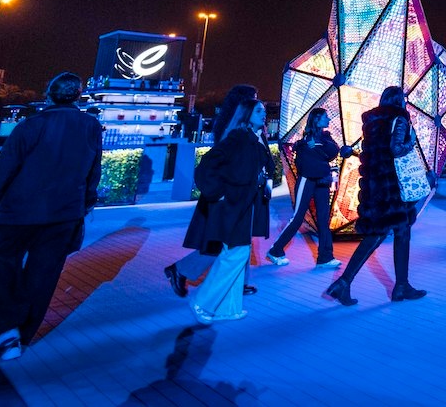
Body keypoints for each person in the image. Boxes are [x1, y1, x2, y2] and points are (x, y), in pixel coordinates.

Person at [0, 72, 103, 361]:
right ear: (78, 96)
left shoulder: (32, 125)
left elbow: (3, 171)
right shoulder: (91, 126)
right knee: (44, 274)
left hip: (20, 213)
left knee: (2, 264)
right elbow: (94, 171)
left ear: (48, 94)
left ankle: (6, 330)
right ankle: (22, 337)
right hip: (64, 214)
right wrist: (87, 204)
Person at [323, 86, 426, 306]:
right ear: (399, 101)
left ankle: (397, 285)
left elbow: (369, 151)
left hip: (376, 186)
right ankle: (351, 282)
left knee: (390, 232)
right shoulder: (399, 118)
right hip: (393, 187)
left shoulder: (371, 122)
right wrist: (412, 140)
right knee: (393, 233)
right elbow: (397, 149)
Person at [182, 98, 276, 323]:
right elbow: (208, 163)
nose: (263, 114)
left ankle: (228, 308)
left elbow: (264, 167)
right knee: (234, 254)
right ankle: (202, 303)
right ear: (246, 114)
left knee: (237, 253)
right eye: (258, 111)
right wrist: (218, 192)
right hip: (233, 205)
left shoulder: (255, 138)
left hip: (244, 205)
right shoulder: (238, 137)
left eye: (264, 110)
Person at [165, 84, 259, 297]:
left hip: (236, 193)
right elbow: (217, 165)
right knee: (224, 241)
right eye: (254, 99)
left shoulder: (235, 125)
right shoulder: (234, 130)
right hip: (227, 194)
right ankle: (181, 269)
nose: (258, 103)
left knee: (238, 240)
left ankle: (238, 282)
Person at [267, 107, 346, 269]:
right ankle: (275, 250)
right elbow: (303, 164)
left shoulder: (326, 137)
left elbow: (333, 151)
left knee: (324, 221)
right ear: (316, 119)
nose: (328, 120)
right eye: (325, 117)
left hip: (322, 182)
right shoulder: (302, 142)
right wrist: (313, 148)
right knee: (298, 218)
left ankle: (325, 257)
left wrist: (317, 147)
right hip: (307, 181)